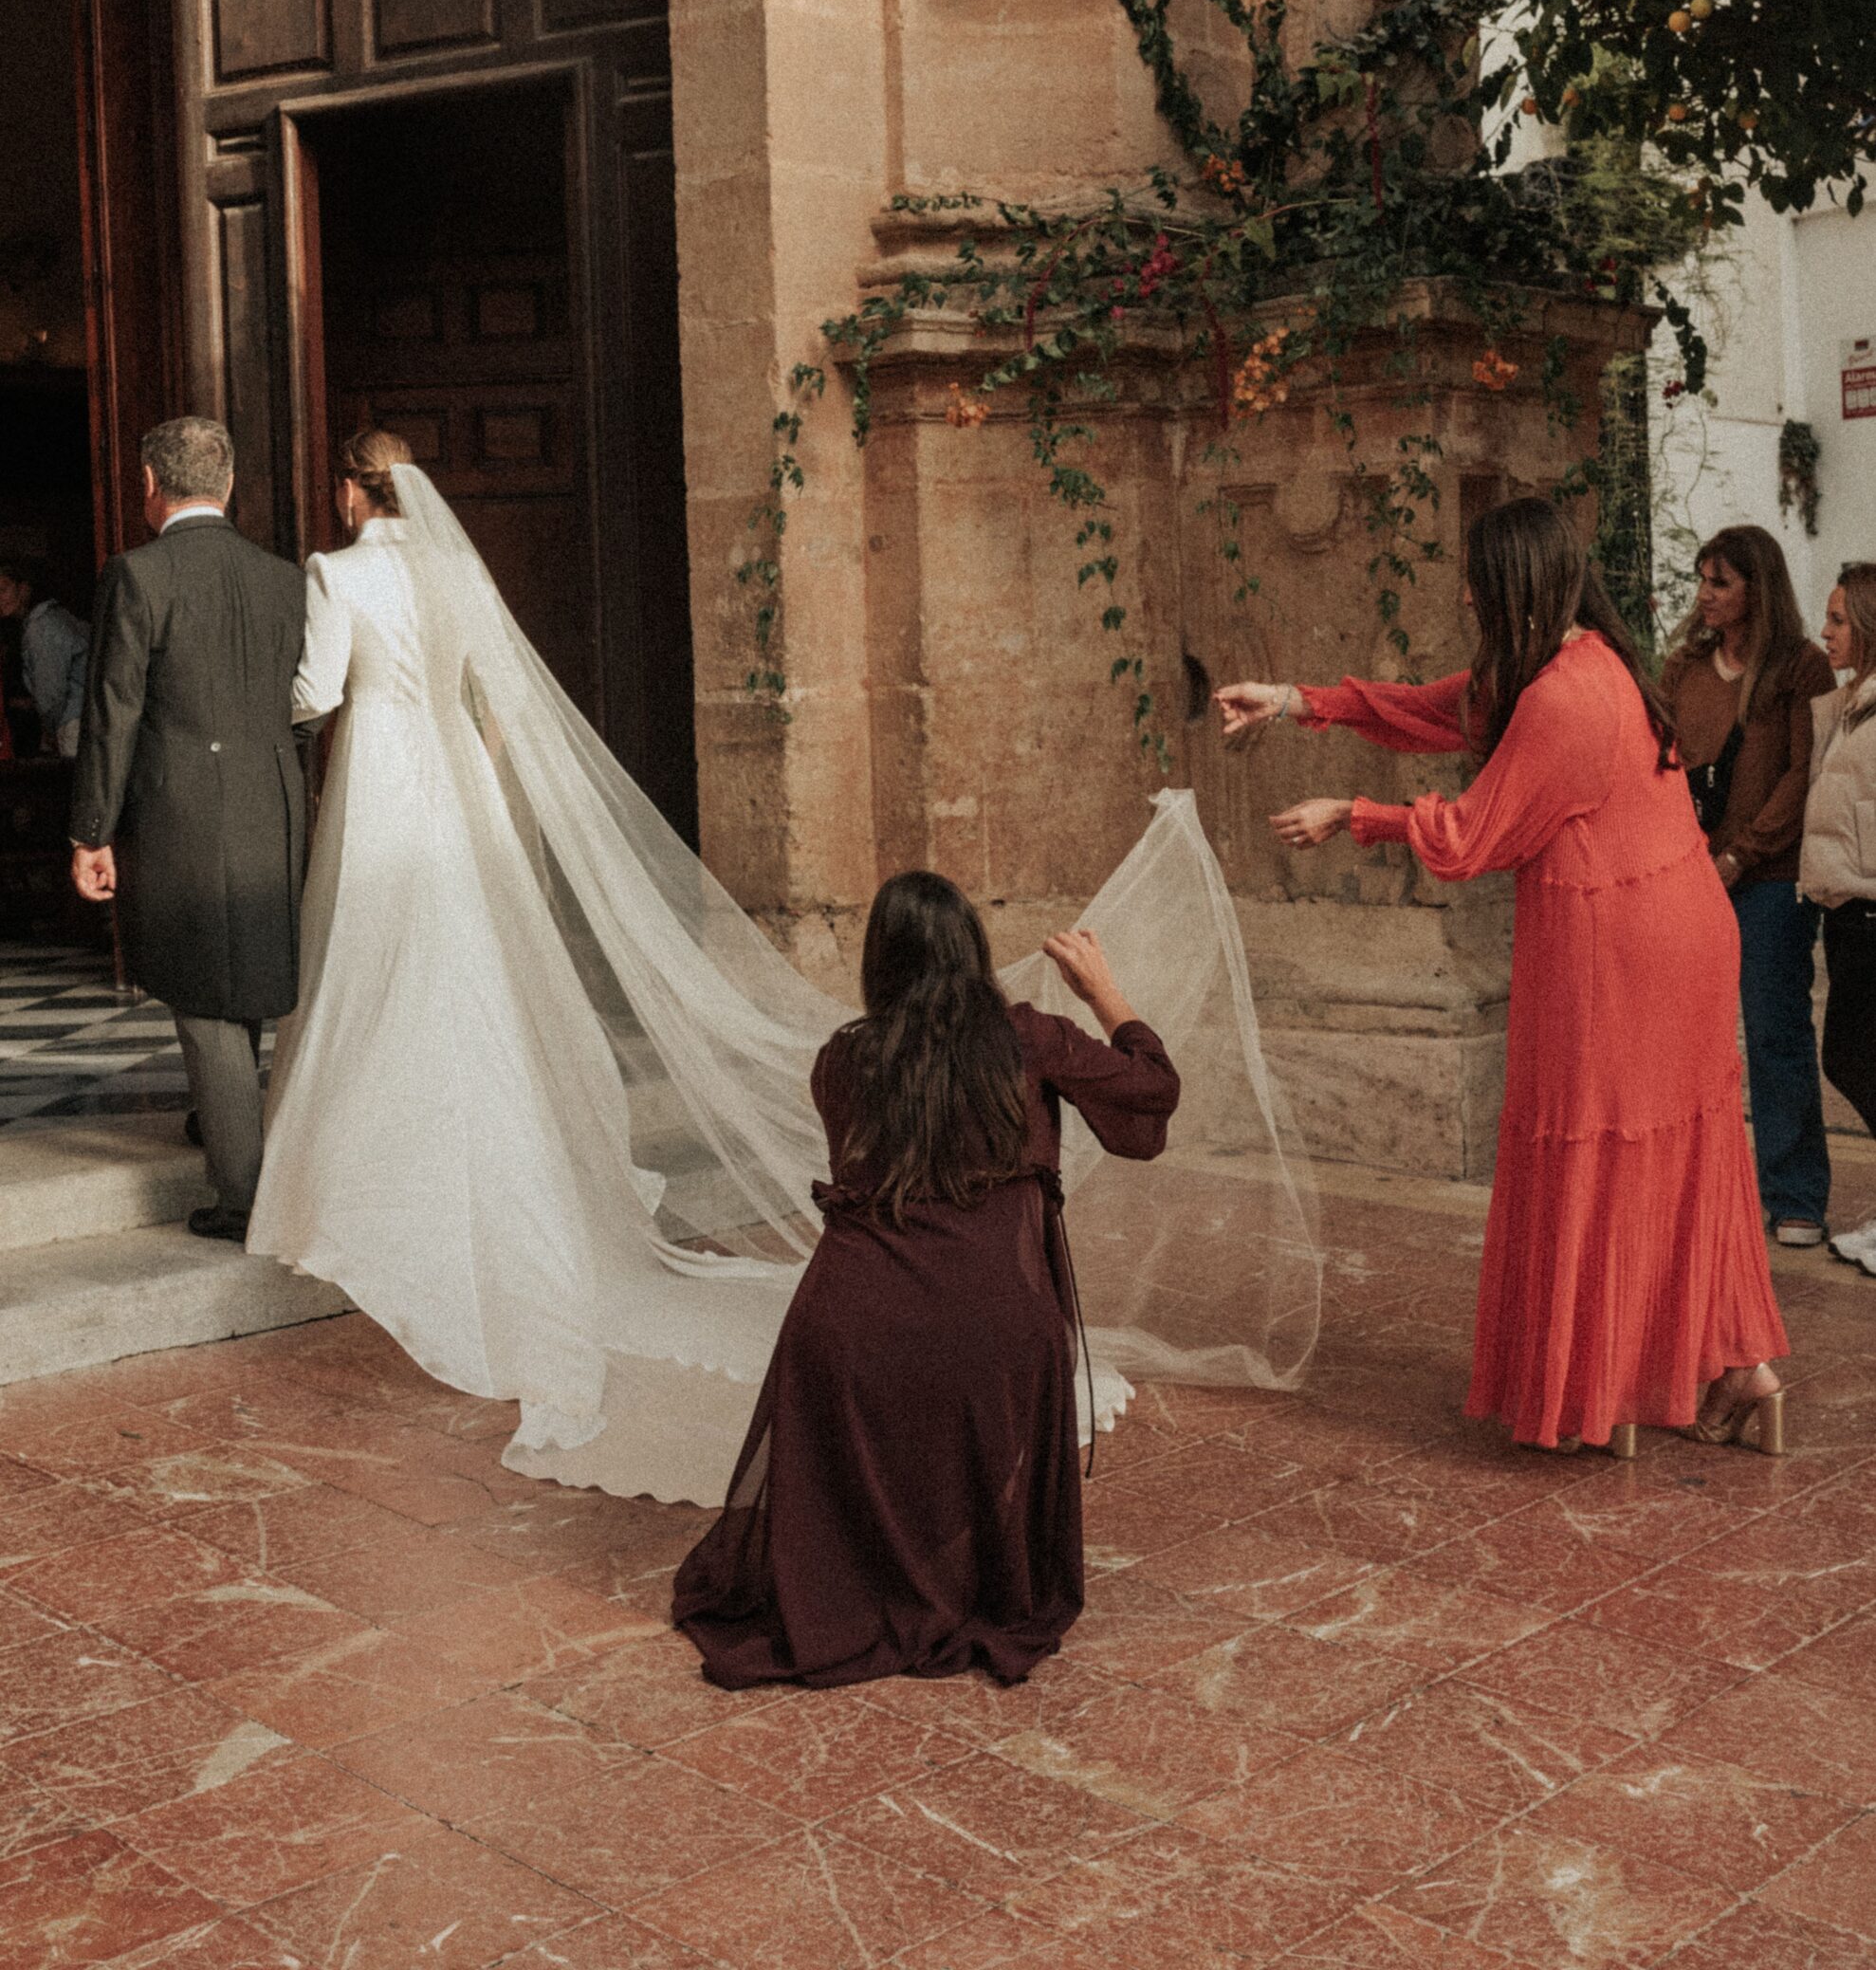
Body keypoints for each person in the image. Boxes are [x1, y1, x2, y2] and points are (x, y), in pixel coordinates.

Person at [251, 443, 1308, 1510]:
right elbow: (490, 703)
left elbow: (314, 690)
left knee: (375, 974)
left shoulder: (336, 572)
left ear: (347, 490)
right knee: (465, 983)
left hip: (385, 785)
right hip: (454, 795)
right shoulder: (455, 571)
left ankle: (356, 1170)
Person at [1215, 496, 1789, 1454]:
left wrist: (1354, 815)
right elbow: (1434, 707)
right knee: (1676, 1151)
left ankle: (1603, 1387)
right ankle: (1740, 1367)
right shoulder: (1583, 665)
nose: (1467, 599)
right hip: (1674, 926)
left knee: (1597, 1145)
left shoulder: (1563, 699)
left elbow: (1470, 834)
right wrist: (1293, 700)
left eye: (1477, 584)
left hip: (1620, 944)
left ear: (1514, 584)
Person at [672, 881, 1178, 1688]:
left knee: (881, 1437)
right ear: (972, 949)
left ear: (879, 961)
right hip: (997, 1322)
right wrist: (1102, 993)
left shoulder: (843, 1059)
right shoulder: (1029, 1040)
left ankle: (875, 1590)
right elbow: (1151, 1094)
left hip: (850, 1325)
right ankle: (961, 1587)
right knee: (969, 1396)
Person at [68, 417, 308, 1240]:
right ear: (229, 483)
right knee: (243, 966)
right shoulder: (283, 578)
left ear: (148, 483)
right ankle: (222, 1119)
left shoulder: (137, 574)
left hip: (182, 806)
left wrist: (91, 831)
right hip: (272, 800)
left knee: (204, 990)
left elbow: (113, 713)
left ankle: (242, 1196)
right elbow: (307, 703)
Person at [1661, 527, 1837, 1245]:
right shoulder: (1685, 666)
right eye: (1702, 579)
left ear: (1757, 589)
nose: (1705, 594)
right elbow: (1661, 760)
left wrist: (1742, 854)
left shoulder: (1801, 667)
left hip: (1769, 877)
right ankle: (1695, 1188)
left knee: (1773, 1031)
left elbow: (1804, 773)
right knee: (1685, 1035)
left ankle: (1795, 1195)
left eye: (1721, 582)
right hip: (1690, 873)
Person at [1806, 564, 1876, 1273]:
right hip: (1848, 907)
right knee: (1853, 1059)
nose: (1824, 632)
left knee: (1855, 1059)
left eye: (1838, 620)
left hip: (1871, 906)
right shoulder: (1850, 704)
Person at [0, 557, 90, 759]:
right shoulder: (48, 620)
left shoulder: (41, 627)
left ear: (23, 589)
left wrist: (48, 730)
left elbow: (51, 694)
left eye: (3, 589)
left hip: (75, 724)